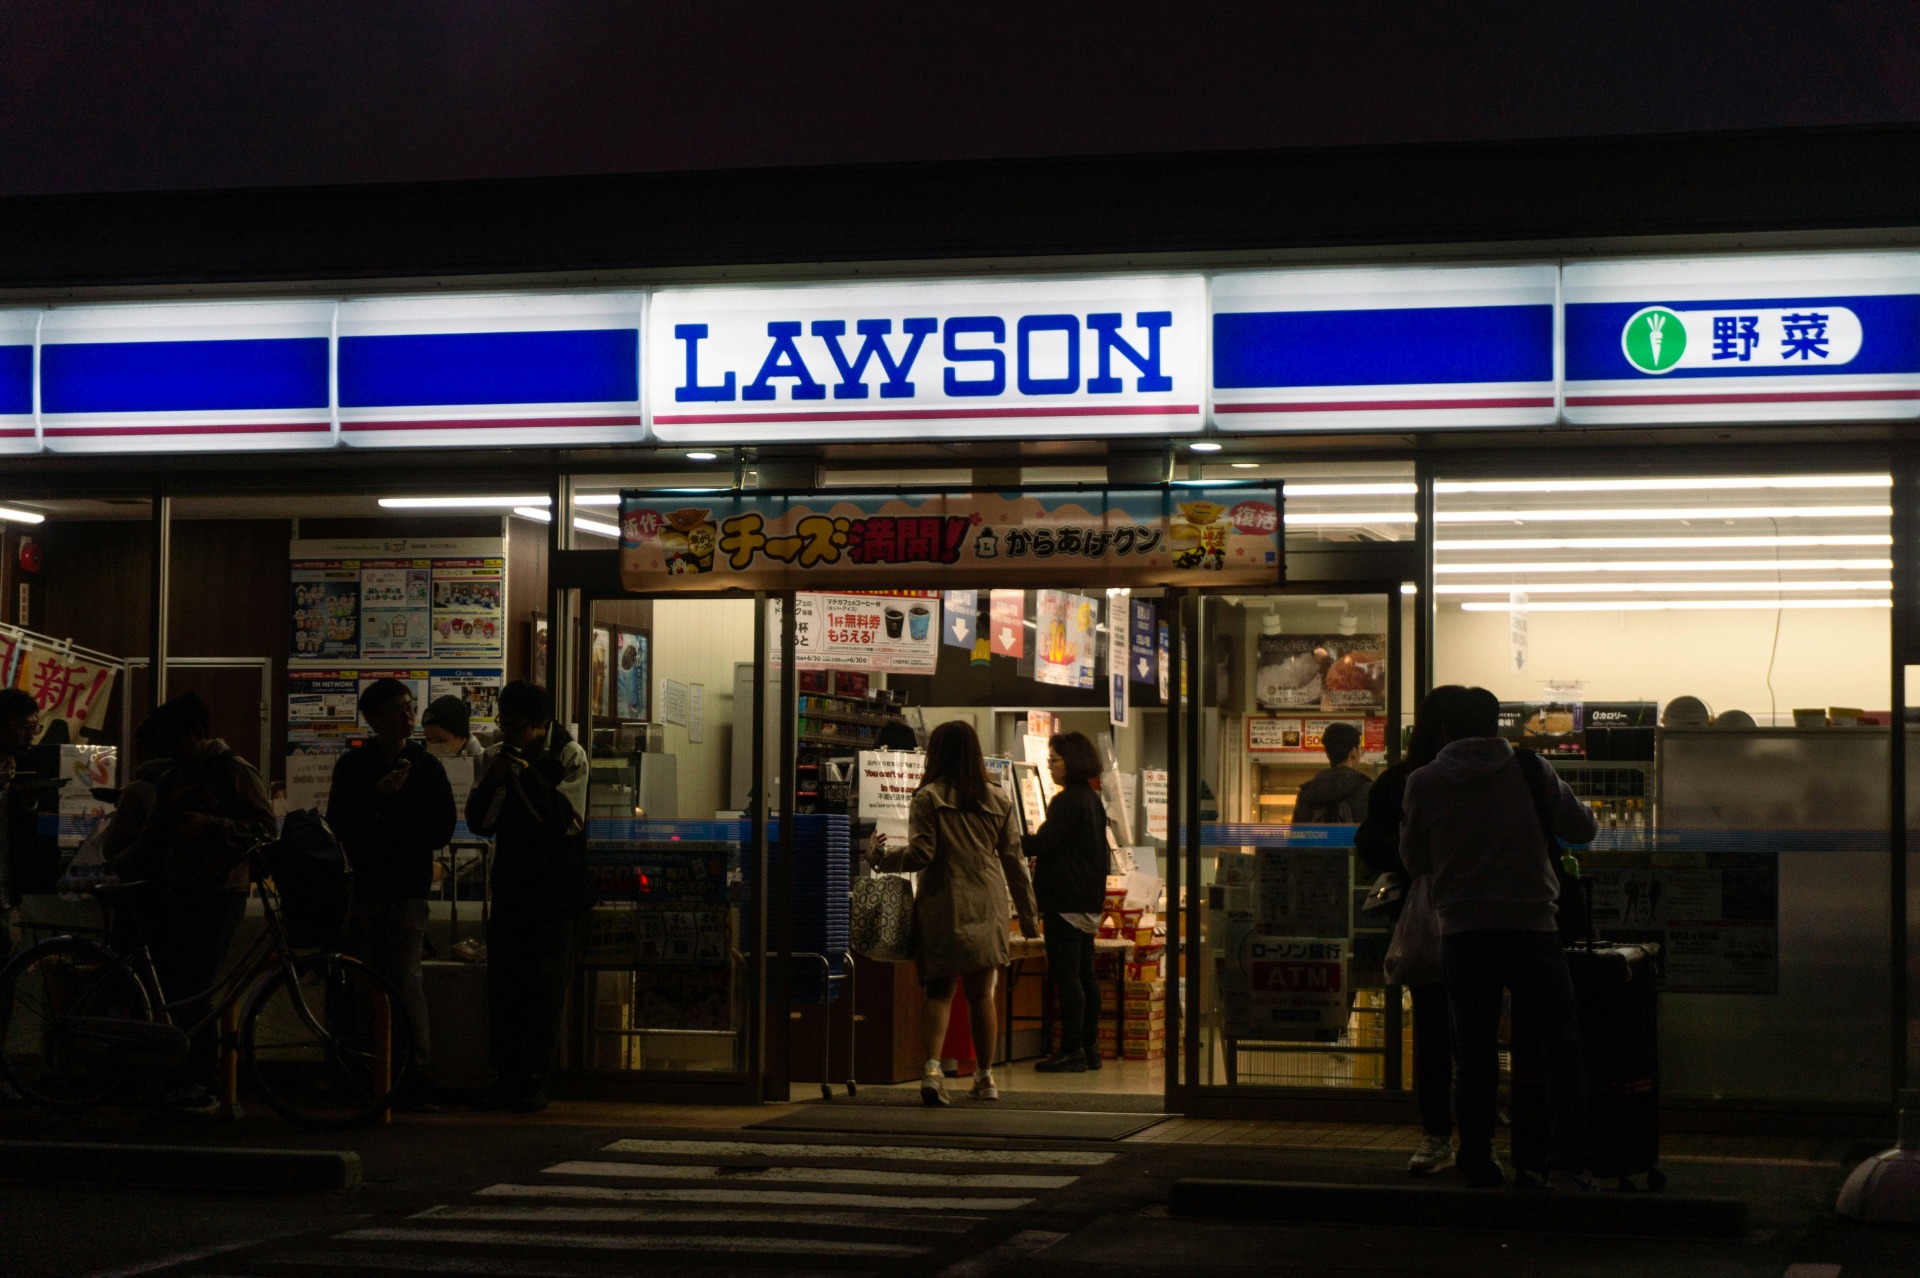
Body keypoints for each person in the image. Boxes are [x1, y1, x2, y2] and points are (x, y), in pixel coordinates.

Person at [1400, 686, 1599, 1191]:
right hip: (1533, 928)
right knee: (1560, 1046)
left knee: (1474, 1051)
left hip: (1463, 932)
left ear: (1445, 730)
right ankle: (1566, 1164)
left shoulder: (1423, 782)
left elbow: (1415, 860)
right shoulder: (1530, 769)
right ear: (1496, 726)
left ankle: (1478, 1158)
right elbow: (1582, 829)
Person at [108, 691, 278, 1113]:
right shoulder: (172, 776)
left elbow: (265, 829)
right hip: (178, 891)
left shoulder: (234, 771)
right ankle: (184, 1077)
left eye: (172, 741)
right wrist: (112, 868)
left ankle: (202, 1081)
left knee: (196, 986)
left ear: (198, 733)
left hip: (221, 892)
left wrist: (211, 826)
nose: (167, 751)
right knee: (180, 988)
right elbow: (152, 837)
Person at [870, 720, 1038, 1106]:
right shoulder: (998, 799)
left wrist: (880, 858)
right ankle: (985, 1077)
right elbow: (1014, 861)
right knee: (981, 996)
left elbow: (921, 855)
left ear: (937, 754)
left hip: (942, 902)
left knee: (940, 991)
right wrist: (1029, 919)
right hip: (987, 903)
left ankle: (932, 1071)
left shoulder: (928, 798)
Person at [1353, 685, 1466, 1176]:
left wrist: (1412, 863)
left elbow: (1372, 845)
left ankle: (1438, 1134)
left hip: (1420, 922)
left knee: (1434, 1031)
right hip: (1481, 919)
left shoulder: (1399, 780)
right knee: (1478, 1032)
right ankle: (1477, 1136)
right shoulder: (1494, 779)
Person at [327, 679, 456, 1109]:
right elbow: (339, 823)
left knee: (405, 980)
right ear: (373, 718)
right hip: (367, 887)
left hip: (407, 888)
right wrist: (378, 797)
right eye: (398, 709)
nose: (408, 716)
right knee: (365, 982)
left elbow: (441, 829)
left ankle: (412, 1075)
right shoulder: (354, 766)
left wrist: (390, 817)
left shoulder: (426, 766)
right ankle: (368, 1072)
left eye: (409, 707)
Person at [466, 679, 590, 1113]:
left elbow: (565, 821)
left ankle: (534, 1079)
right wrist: (494, 782)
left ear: (541, 724)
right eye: (504, 725)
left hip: (554, 892)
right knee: (505, 986)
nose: (509, 735)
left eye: (517, 727)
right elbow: (480, 823)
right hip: (511, 888)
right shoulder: (496, 757)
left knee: (543, 989)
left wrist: (526, 776)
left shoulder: (569, 755)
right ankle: (504, 1076)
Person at [1023, 731, 1109, 1074]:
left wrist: (1006, 839)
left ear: (1071, 761)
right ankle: (1090, 1048)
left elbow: (1042, 843)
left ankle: (1072, 1049)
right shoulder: (1091, 799)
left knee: (1068, 976)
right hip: (1087, 899)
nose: (1050, 766)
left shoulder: (1067, 800)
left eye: (1054, 760)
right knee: (1086, 975)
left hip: (1065, 899)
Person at [0, 689, 44, 969]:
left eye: (34, 728)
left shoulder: (16, 770)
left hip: (7, 897)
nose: (30, 736)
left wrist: (29, 803)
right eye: (23, 727)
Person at [1293, 721, 1371, 823]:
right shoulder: (1368, 792)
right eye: (1360, 750)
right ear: (1353, 752)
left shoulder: (1307, 793)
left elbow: (1297, 831)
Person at [422, 694, 485, 765]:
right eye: (428, 739)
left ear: (461, 738)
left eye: (440, 740)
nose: (432, 746)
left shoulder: (486, 766)